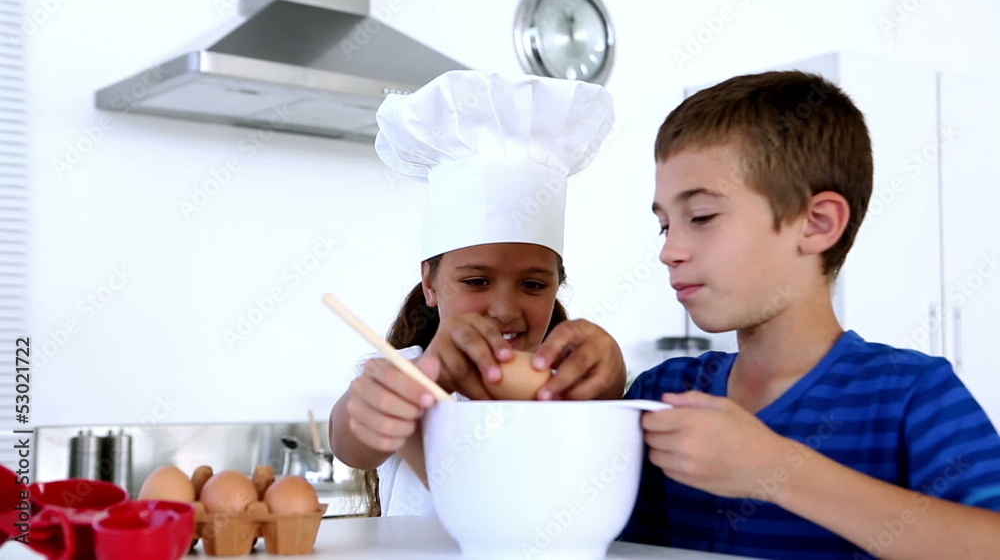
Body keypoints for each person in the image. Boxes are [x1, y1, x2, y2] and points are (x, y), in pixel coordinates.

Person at [619, 70, 1000, 559]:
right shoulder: (661, 392)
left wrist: (775, 469)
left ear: (817, 224)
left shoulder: (910, 394)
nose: (669, 251)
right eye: (664, 225)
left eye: (701, 217)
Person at [328, 70, 626, 517]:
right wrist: (407, 388)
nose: (504, 309)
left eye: (533, 284)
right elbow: (350, 442)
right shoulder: (402, 371)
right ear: (430, 283)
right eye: (476, 281)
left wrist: (610, 380)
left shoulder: (565, 385)